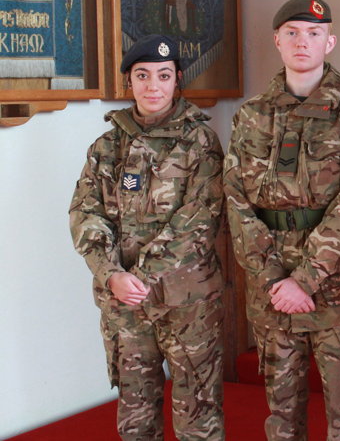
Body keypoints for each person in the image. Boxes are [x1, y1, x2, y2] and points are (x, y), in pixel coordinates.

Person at [223, 0, 340, 440]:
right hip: (269, 281)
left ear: (330, 42)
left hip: (335, 281)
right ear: (277, 40)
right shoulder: (252, 115)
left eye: (313, 33)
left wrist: (305, 279)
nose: (302, 42)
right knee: (281, 410)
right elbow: (235, 197)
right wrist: (273, 278)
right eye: (291, 33)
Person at [69, 34, 226, 440]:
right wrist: (111, 274)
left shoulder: (201, 143)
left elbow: (201, 219)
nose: (153, 86)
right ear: (129, 82)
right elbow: (86, 213)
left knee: (198, 413)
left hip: (186, 300)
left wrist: (141, 275)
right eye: (142, 76)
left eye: (163, 75)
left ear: (177, 81)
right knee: (136, 413)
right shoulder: (106, 147)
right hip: (124, 303)